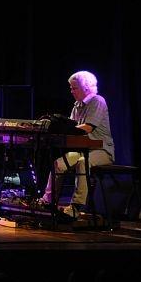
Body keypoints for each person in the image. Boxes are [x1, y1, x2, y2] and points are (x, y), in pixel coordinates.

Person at [42, 70, 115, 217]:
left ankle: (76, 206)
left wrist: (65, 128)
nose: (71, 91)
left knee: (83, 162)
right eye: (71, 88)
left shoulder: (97, 101)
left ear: (86, 88)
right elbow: (71, 129)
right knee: (59, 164)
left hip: (102, 150)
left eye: (74, 88)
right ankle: (48, 202)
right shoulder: (77, 105)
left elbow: (87, 128)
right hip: (83, 150)